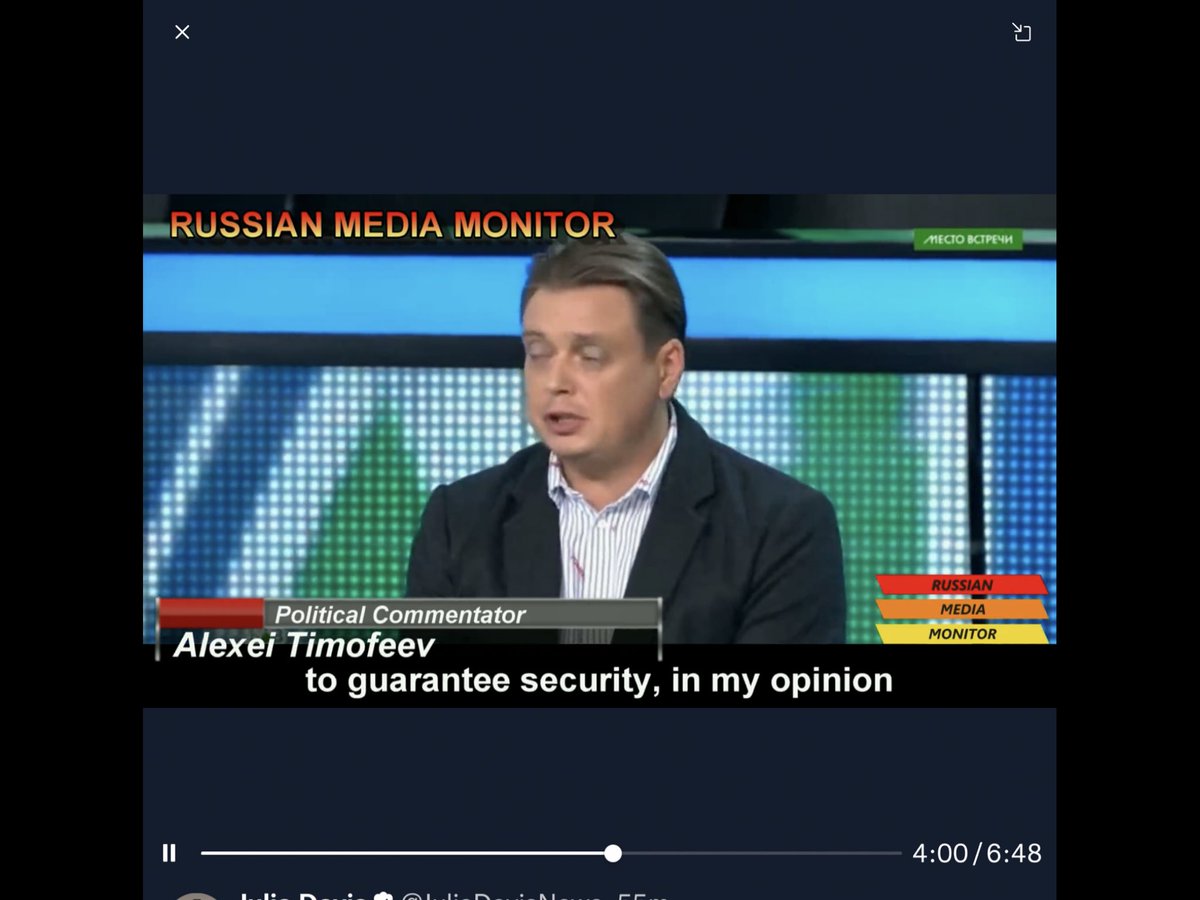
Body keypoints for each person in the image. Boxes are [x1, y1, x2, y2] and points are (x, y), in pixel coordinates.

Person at [406, 233, 845, 643]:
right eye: (538, 353)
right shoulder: (459, 522)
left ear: (666, 368)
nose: (555, 382)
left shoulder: (780, 528)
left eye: (590, 356)